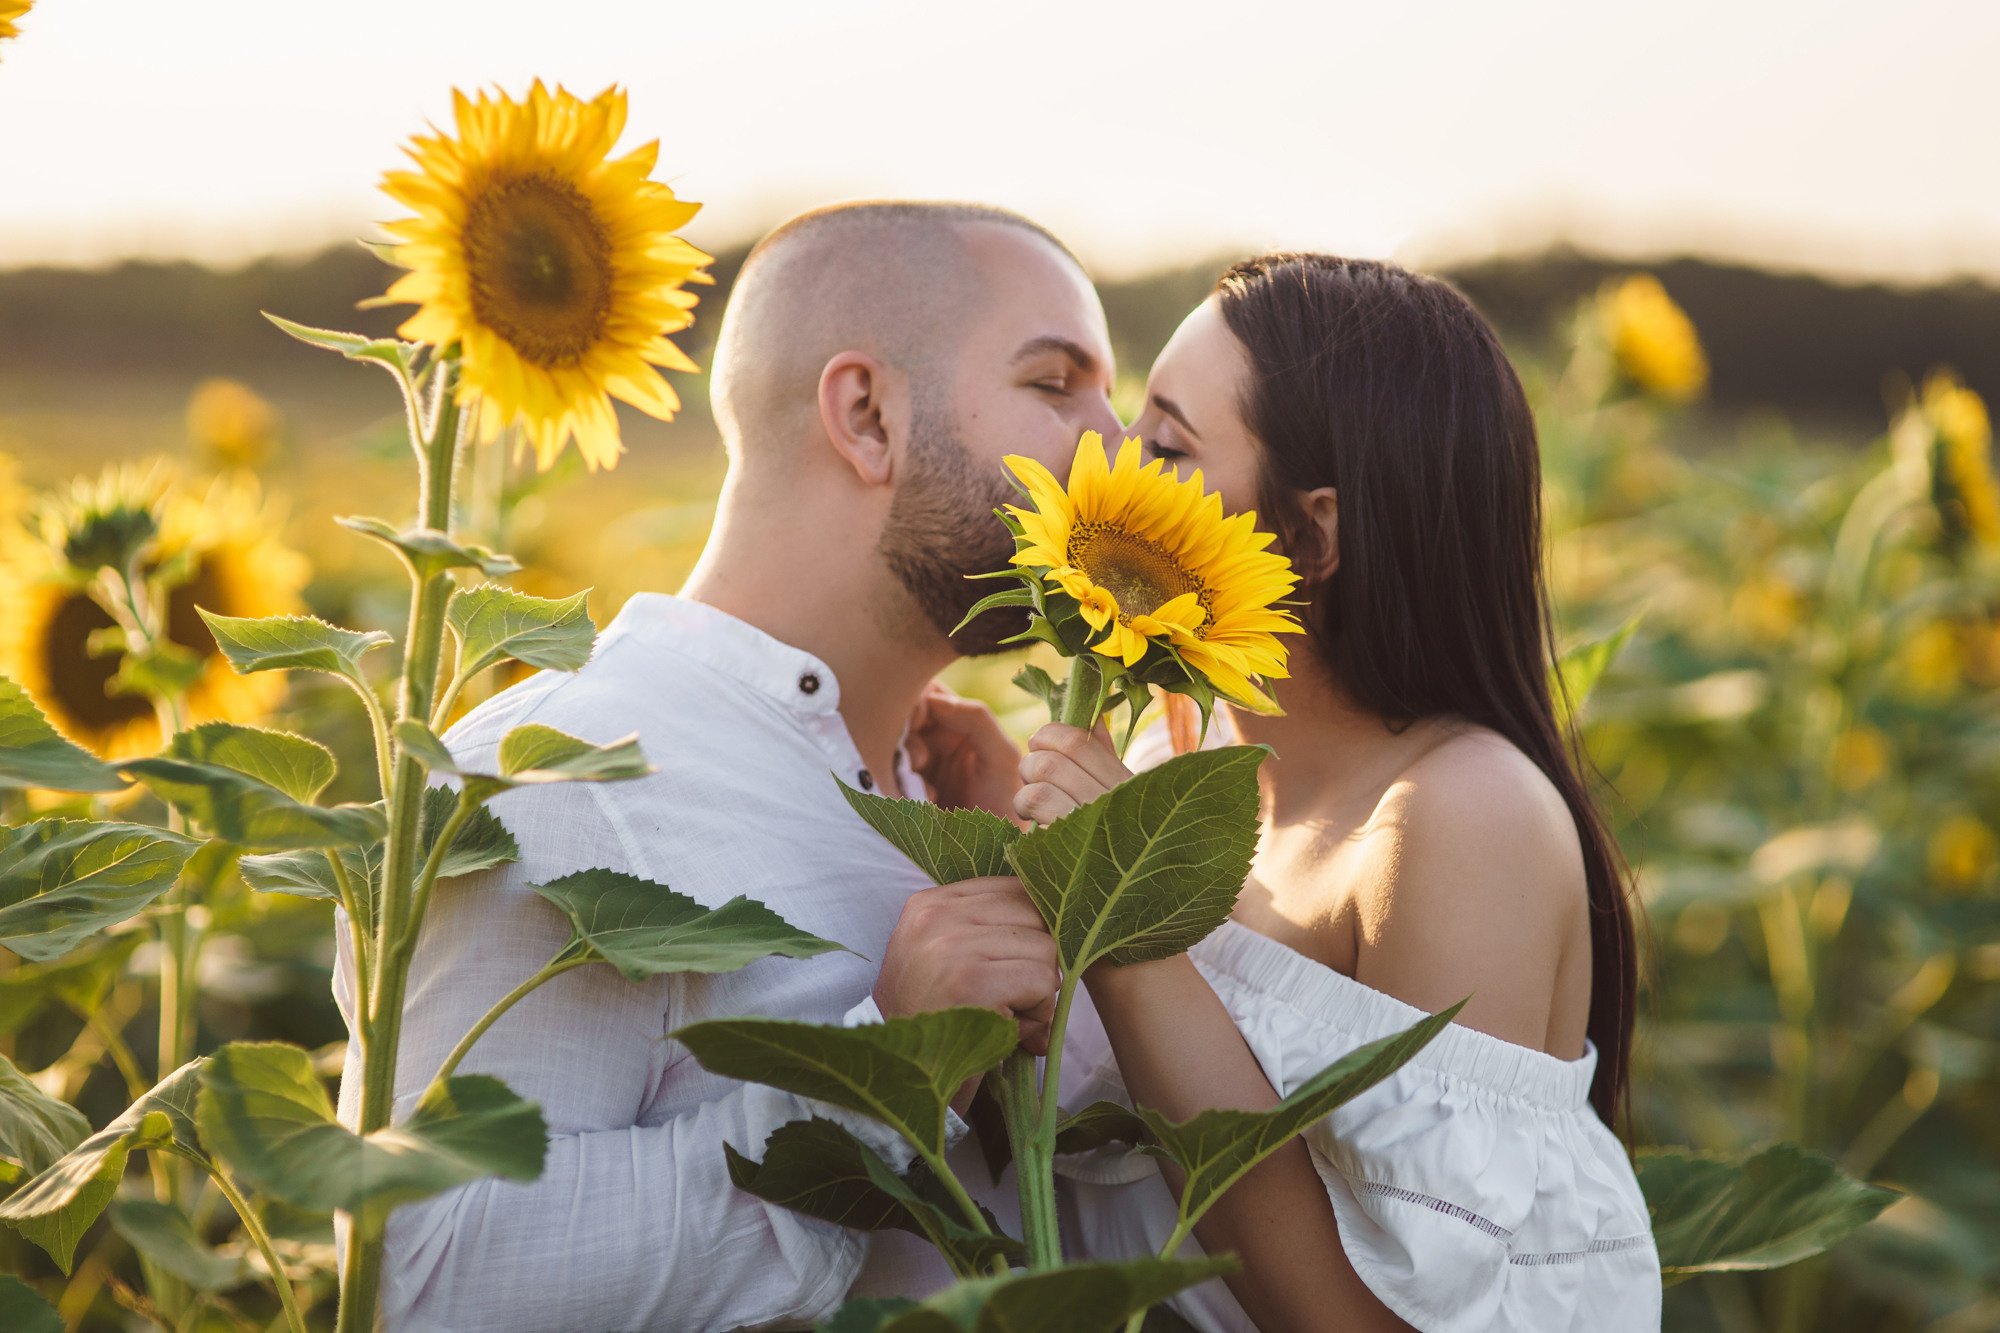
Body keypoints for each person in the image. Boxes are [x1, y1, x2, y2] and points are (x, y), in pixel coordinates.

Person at [331, 200, 1117, 1333]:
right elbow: (433, 1279)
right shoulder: (550, 783)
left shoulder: (944, 788)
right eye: (1055, 385)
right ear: (867, 414)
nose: (1116, 445)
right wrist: (879, 1080)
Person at [992, 254, 1661, 1332]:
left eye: (1164, 445)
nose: (1107, 462)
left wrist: (1119, 917)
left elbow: (1380, 1324)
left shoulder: (1456, 818)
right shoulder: (1189, 750)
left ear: (1312, 533)